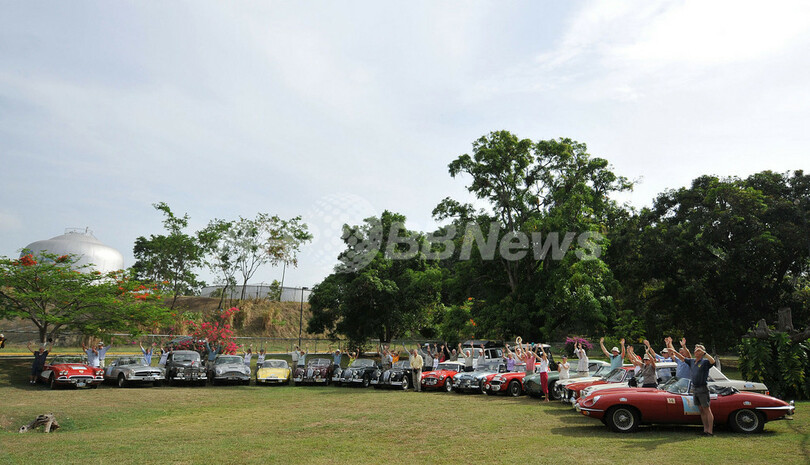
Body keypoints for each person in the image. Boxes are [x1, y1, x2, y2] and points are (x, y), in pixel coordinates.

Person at [669, 340, 716, 436]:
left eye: (698, 350)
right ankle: (705, 430)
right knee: (701, 409)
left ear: (702, 352)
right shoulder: (692, 361)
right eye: (695, 350)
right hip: (695, 388)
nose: (696, 351)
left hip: (702, 388)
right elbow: (682, 358)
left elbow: (713, 361)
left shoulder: (705, 362)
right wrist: (673, 351)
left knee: (707, 409)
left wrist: (704, 353)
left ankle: (710, 431)